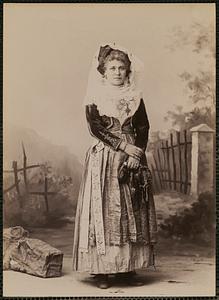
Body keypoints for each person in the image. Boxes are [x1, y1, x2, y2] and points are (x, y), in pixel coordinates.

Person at [72, 43, 157, 289]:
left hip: (132, 159)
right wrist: (123, 146)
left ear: (128, 71)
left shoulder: (135, 96)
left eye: (122, 68)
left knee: (132, 209)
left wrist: (136, 153)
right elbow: (95, 128)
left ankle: (126, 268)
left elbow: (143, 128)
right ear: (104, 71)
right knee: (106, 210)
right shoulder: (95, 97)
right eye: (112, 68)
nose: (118, 72)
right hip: (106, 159)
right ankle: (102, 271)